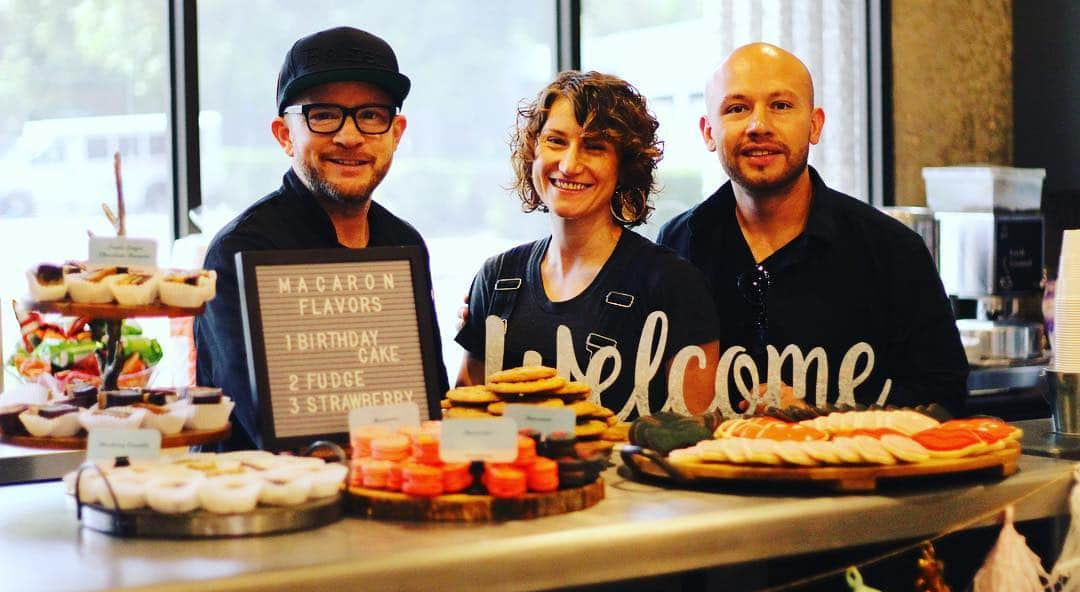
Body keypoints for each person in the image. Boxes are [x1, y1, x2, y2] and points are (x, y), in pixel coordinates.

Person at [657, 42, 969, 417]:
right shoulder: (677, 247)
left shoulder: (894, 250)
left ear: (815, 124)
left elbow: (946, 397)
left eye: (781, 106)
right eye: (737, 109)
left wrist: (818, 414)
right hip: (710, 473)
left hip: (846, 472)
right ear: (709, 132)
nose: (759, 126)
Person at [195, 27, 448, 449]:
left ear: (396, 132)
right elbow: (268, 426)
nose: (350, 136)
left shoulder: (403, 244)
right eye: (324, 115)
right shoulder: (240, 251)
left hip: (390, 500)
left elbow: (428, 403)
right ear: (284, 134)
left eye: (371, 115)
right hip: (270, 505)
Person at [455, 71, 721, 420]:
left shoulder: (671, 284)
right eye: (555, 141)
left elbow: (692, 435)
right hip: (513, 476)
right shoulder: (497, 279)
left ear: (624, 166)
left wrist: (544, 434)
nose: (569, 164)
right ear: (532, 151)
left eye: (594, 146)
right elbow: (464, 428)